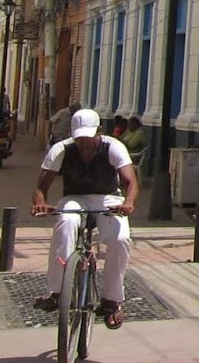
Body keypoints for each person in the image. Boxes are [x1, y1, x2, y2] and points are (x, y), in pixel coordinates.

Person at [30, 108, 138, 329]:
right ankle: (57, 291)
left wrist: (128, 203)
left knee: (120, 239)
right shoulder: (61, 149)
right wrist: (39, 202)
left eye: (88, 137)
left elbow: (131, 182)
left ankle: (112, 301)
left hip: (108, 198)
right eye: (79, 138)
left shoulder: (114, 147)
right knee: (65, 223)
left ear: (99, 132)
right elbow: (41, 186)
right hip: (75, 198)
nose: (84, 143)